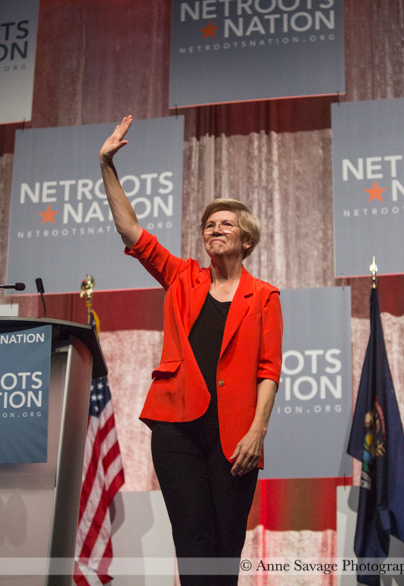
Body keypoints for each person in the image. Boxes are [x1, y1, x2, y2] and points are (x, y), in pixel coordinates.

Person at [99, 116, 283, 585]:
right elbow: (131, 231)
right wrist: (106, 165)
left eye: (225, 224)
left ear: (246, 240)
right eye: (209, 224)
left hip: (235, 436)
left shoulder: (264, 296)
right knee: (193, 541)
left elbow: (268, 370)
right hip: (177, 428)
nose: (214, 229)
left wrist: (257, 431)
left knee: (225, 546)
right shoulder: (184, 278)